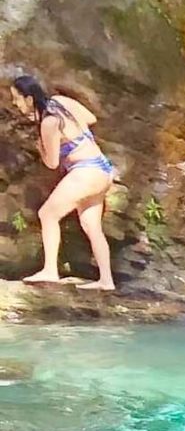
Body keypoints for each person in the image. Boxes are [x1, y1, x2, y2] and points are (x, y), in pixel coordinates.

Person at [11, 74, 115, 290]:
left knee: (47, 214)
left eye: (17, 98)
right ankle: (106, 281)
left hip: (85, 171)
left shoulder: (49, 123)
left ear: (29, 99)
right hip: (103, 169)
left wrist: (41, 147)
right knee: (91, 224)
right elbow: (90, 118)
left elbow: (52, 163)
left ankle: (50, 270)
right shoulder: (61, 102)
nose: (14, 103)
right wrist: (74, 134)